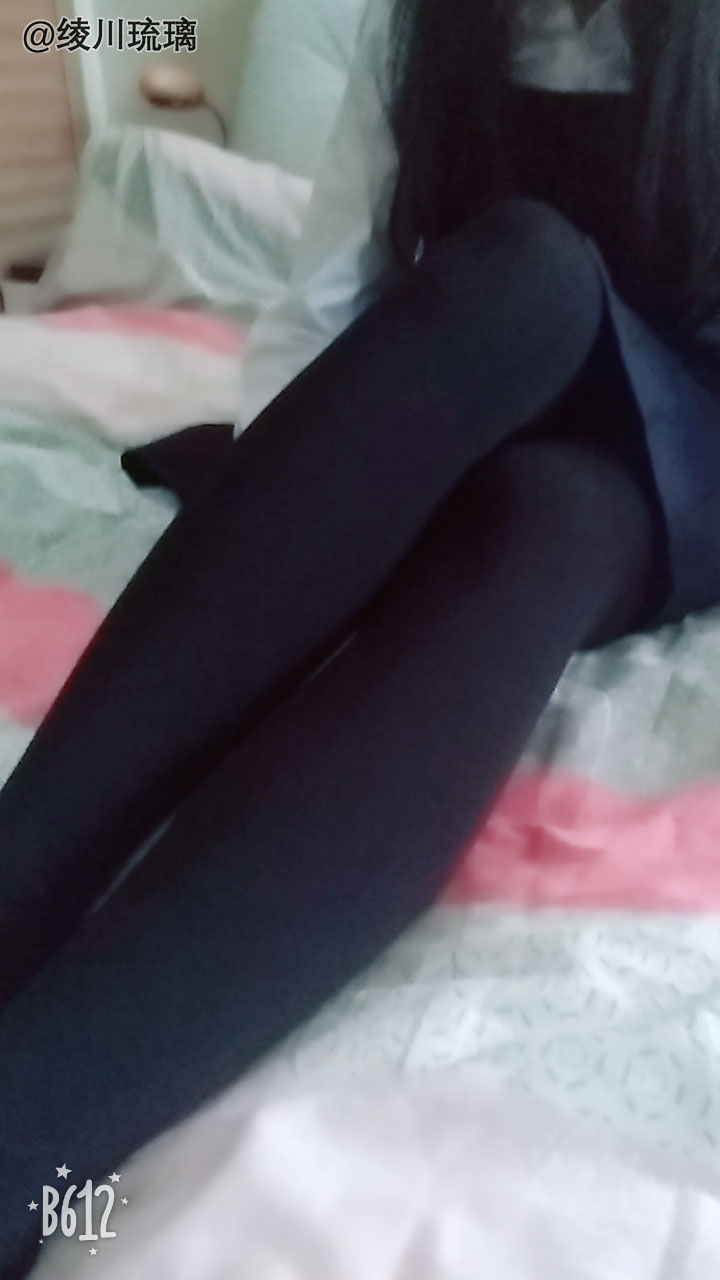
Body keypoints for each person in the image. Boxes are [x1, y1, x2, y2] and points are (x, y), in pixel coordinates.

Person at [3, 0, 720, 1271]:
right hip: (513, 395)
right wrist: (323, 511)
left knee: (541, 420)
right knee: (526, 353)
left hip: (687, 447)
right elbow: (324, 311)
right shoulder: (428, 24)